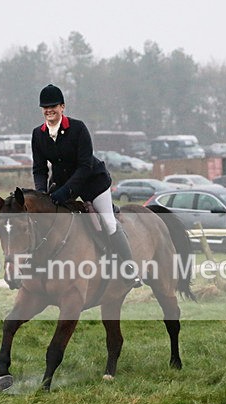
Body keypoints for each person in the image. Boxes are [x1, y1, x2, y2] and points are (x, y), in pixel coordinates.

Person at [31, 83, 141, 287]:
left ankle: (129, 271)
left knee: (108, 223)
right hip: (62, 184)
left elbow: (84, 166)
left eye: (53, 106)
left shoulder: (78, 128)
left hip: (93, 182)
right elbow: (39, 169)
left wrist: (65, 192)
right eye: (45, 107)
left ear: (62, 107)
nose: (49, 110)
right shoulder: (38, 134)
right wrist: (41, 194)